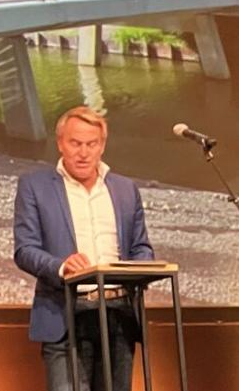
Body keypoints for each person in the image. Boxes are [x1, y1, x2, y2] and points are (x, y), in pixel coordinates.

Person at [12, 106, 155, 391]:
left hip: (118, 315)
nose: (83, 152)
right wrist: (62, 266)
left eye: (91, 144)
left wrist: (140, 268)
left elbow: (141, 247)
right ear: (60, 143)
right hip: (66, 313)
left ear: (102, 146)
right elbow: (25, 249)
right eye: (75, 143)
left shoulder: (125, 189)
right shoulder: (35, 186)